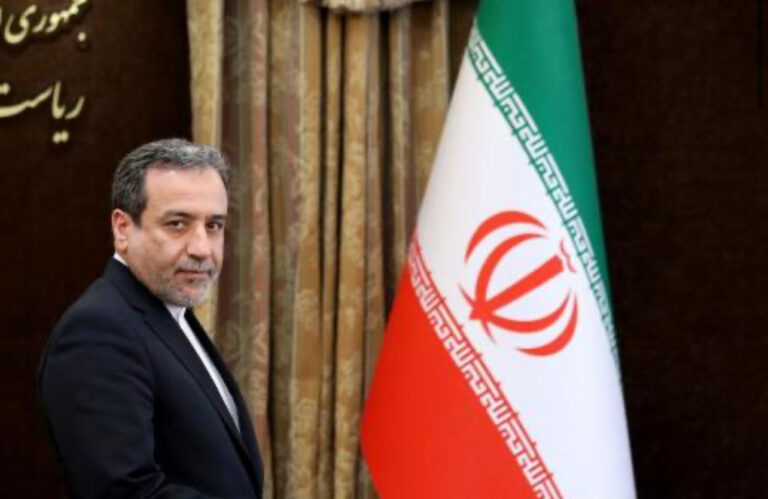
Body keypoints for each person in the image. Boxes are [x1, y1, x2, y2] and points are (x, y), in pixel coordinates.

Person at [38, 139, 263, 498]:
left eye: (214, 225)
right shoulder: (97, 332)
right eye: (177, 223)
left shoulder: (170, 309)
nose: (202, 248)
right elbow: (126, 492)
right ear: (122, 229)